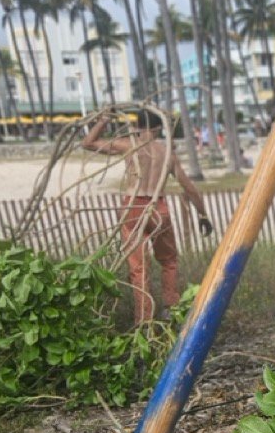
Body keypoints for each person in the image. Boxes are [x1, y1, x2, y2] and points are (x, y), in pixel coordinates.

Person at [82, 109, 213, 326]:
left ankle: (144, 319)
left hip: (133, 207)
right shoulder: (167, 153)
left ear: (137, 126)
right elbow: (189, 187)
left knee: (138, 268)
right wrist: (202, 214)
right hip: (158, 208)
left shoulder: (129, 145)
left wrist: (103, 120)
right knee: (169, 261)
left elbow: (88, 143)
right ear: (158, 128)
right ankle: (171, 308)